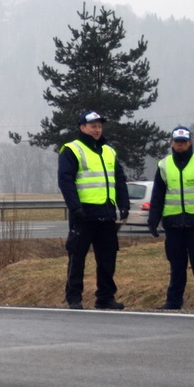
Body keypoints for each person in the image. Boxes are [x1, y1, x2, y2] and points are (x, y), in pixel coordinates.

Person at [58, 110, 131, 310]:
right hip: (84, 214)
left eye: (99, 126)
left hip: (106, 213)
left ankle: (105, 298)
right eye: (93, 126)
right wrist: (75, 207)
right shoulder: (72, 150)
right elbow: (66, 181)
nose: (97, 129)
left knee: (108, 259)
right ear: (82, 128)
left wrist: (124, 204)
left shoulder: (109, 151)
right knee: (77, 257)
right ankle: (74, 297)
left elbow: (120, 179)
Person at [147, 126, 194, 310]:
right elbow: (157, 195)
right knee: (176, 266)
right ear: (172, 142)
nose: (180, 145)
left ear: (190, 142)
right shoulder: (163, 165)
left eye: (183, 142)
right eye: (177, 142)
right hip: (173, 224)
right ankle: (173, 302)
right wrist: (153, 220)